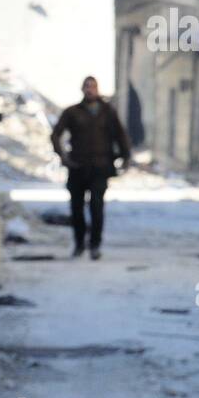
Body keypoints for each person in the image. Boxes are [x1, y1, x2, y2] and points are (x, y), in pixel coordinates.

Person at [50, 76, 132, 260]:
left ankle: (95, 245)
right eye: (87, 86)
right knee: (76, 208)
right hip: (78, 166)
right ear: (82, 89)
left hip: (100, 167)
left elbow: (121, 135)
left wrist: (126, 156)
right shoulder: (72, 112)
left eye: (93, 87)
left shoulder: (107, 112)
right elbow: (55, 135)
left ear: (97, 89)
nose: (90, 90)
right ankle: (79, 244)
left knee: (97, 207)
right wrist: (63, 157)